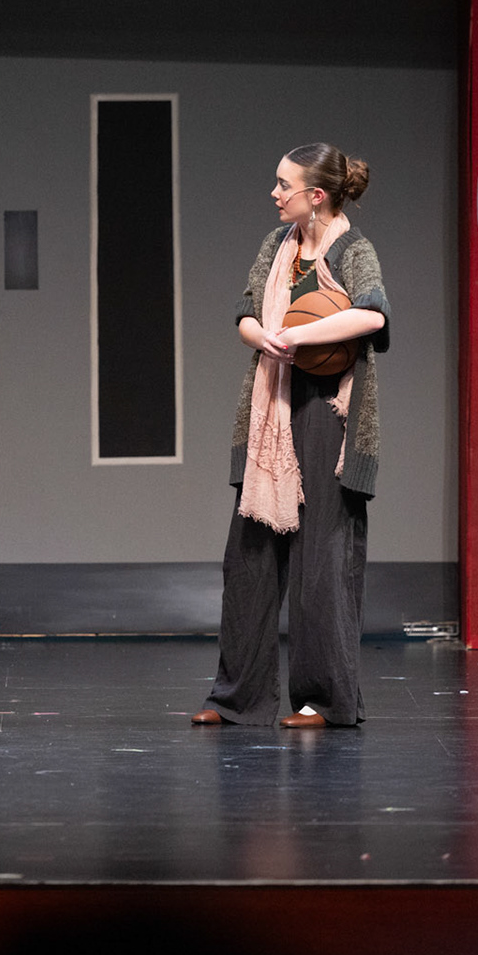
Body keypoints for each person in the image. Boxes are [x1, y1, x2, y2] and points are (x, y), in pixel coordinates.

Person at [193, 142, 390, 729]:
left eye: (285, 185)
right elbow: (247, 312)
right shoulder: (275, 246)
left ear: (317, 195)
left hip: (329, 413)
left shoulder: (353, 249)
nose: (275, 194)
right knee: (249, 558)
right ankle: (238, 698)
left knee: (322, 559)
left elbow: (373, 313)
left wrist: (301, 335)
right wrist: (264, 337)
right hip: (272, 409)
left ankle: (323, 701)